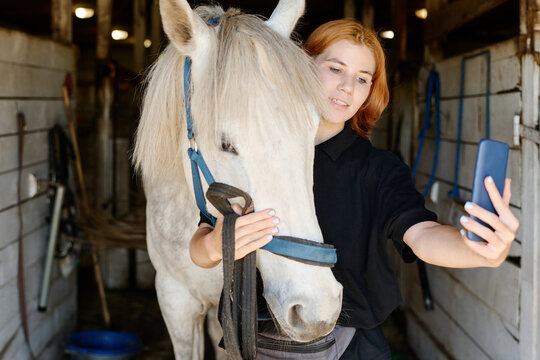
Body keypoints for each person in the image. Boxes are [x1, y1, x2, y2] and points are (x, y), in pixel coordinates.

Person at [190, 19, 520, 359]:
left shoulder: (378, 169)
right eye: (335, 68)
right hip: (255, 343)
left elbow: (421, 234)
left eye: (362, 78)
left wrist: (477, 250)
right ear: (301, 66)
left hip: (351, 347)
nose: (347, 86)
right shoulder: (253, 151)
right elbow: (200, 245)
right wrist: (217, 244)